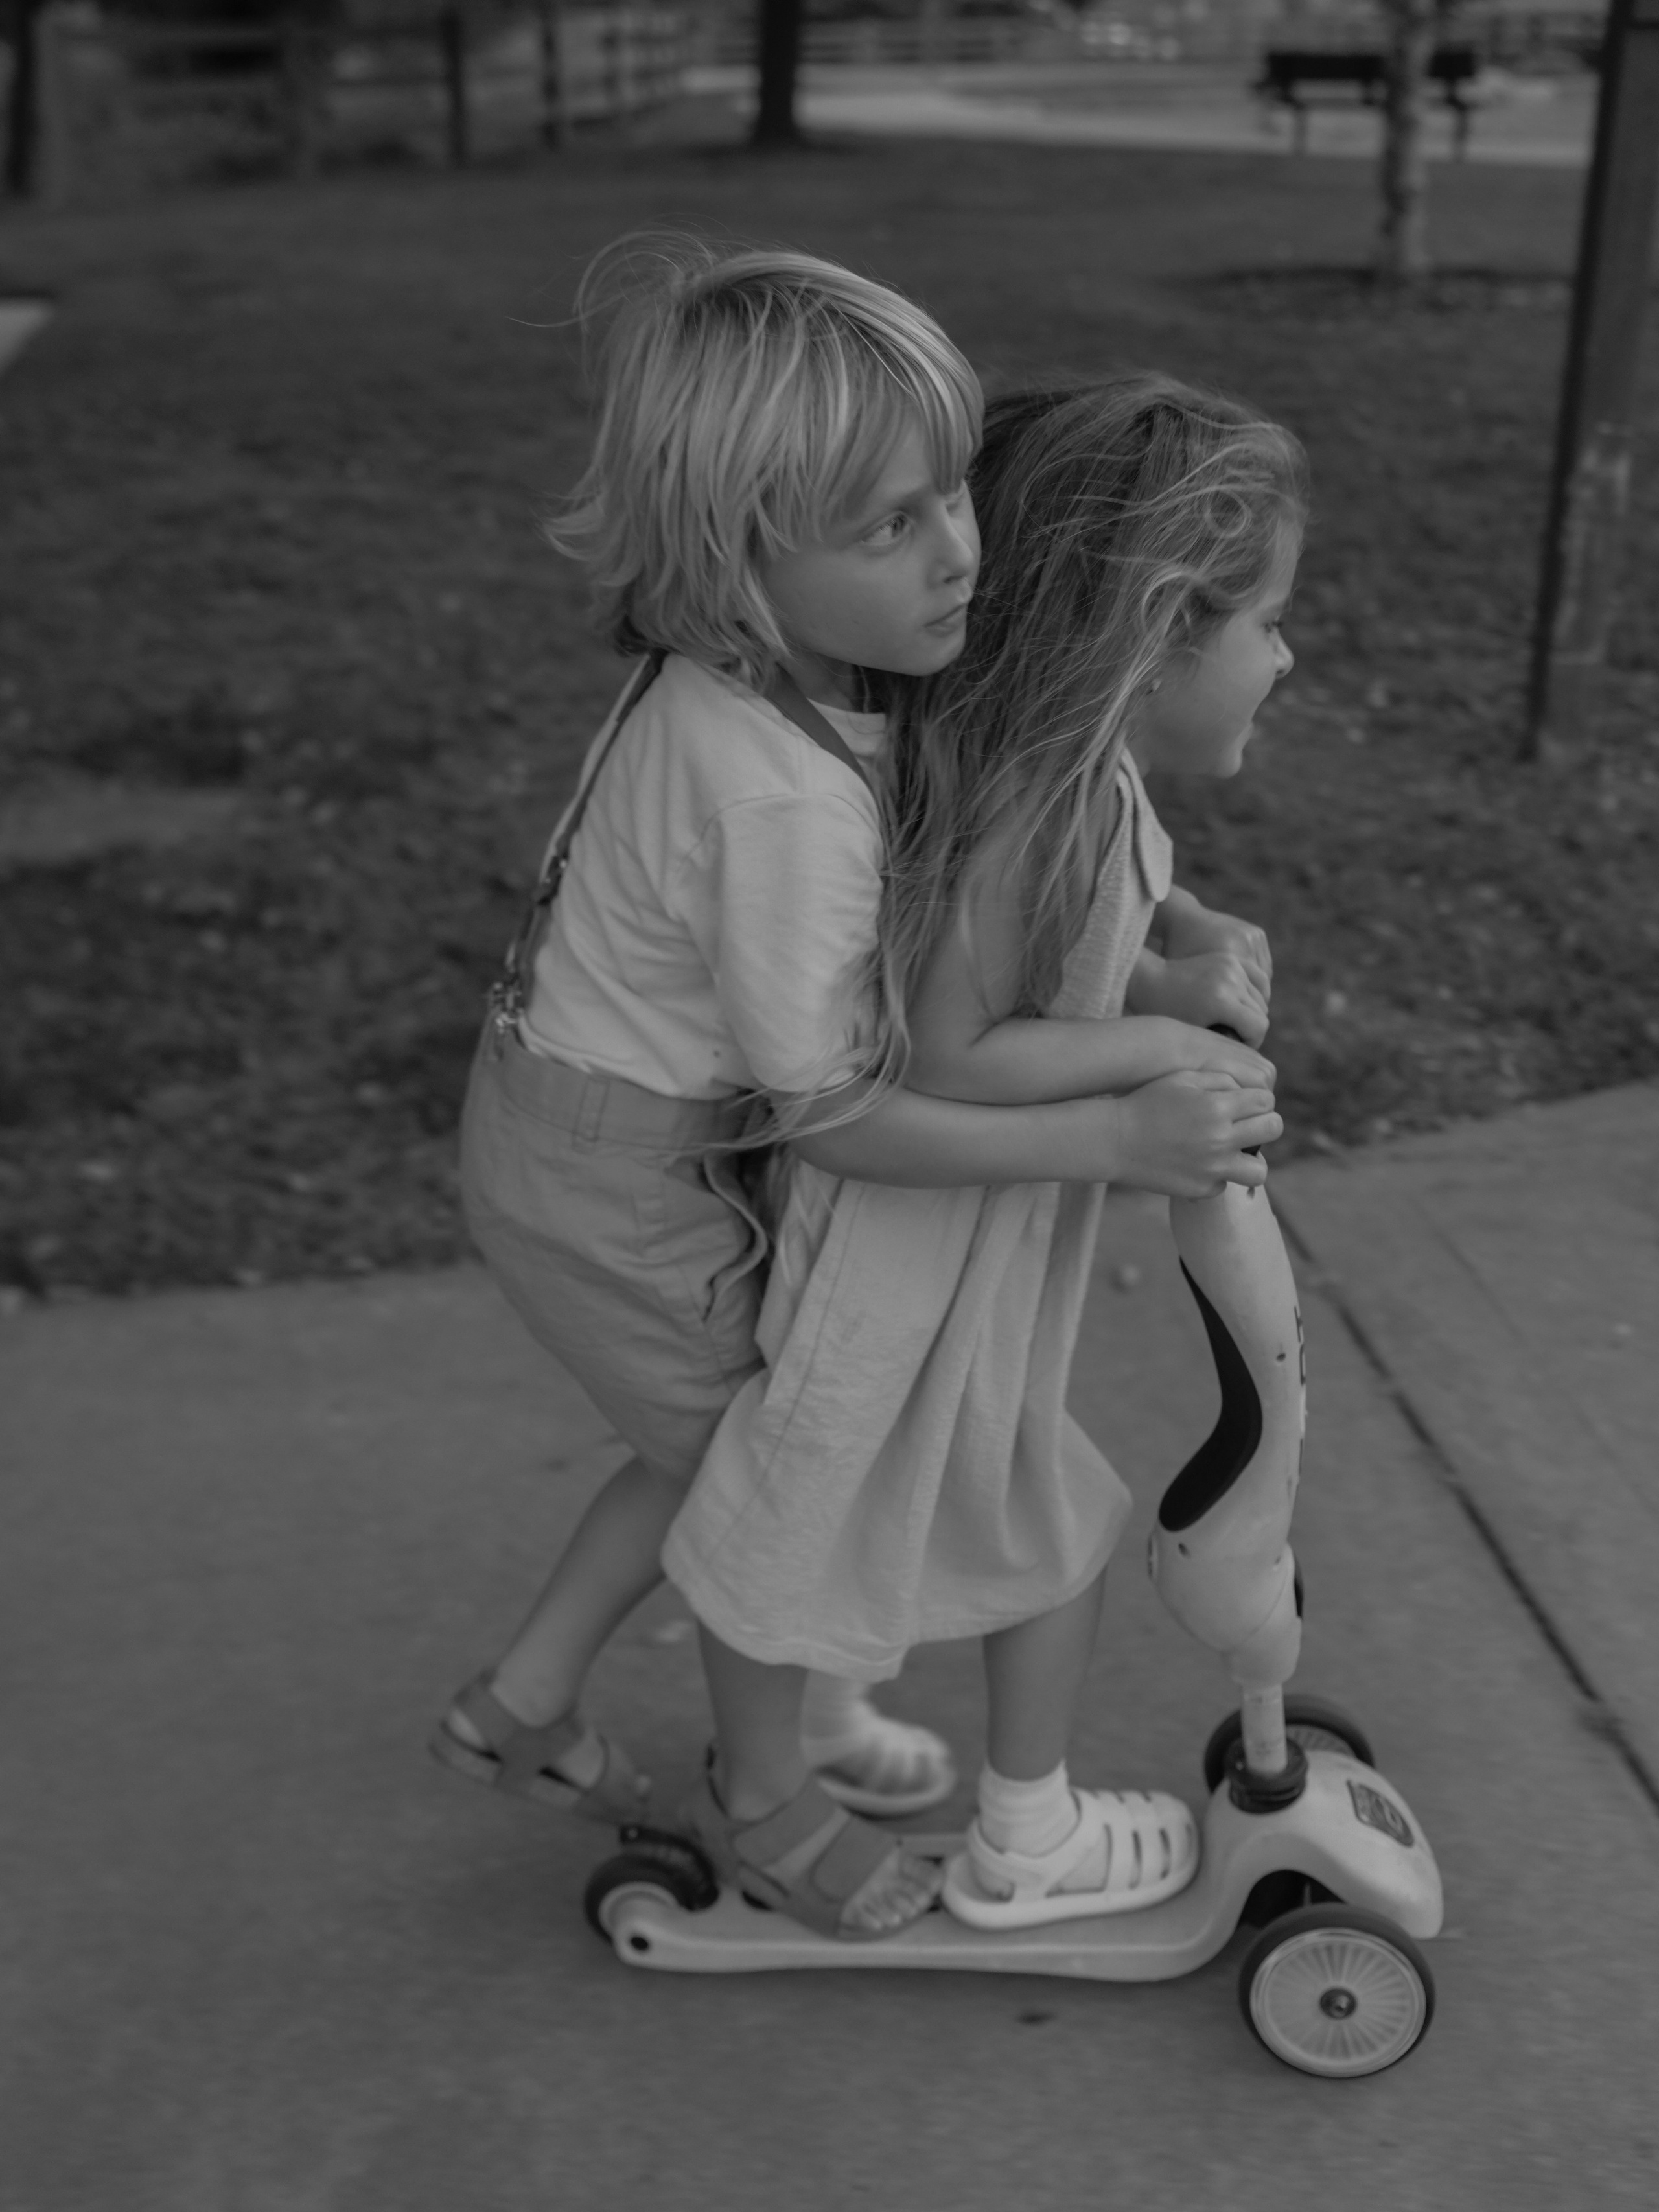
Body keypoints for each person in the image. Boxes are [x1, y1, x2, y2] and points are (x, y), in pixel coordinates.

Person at [428, 246, 1267, 1907]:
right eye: (890, 527)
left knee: (722, 1445)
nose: (962, 549)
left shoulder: (766, 673)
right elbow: (845, 1116)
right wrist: (1103, 1124)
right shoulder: (778, 802)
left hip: (597, 1124)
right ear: (742, 559)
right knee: (768, 1451)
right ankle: (764, 1805)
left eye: (951, 491)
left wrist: (1151, 914)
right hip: (614, 1176)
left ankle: (531, 1701)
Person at [663, 373, 1304, 1940]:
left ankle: (816, 1731)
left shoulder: (1080, 777)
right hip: (904, 1229)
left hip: (974, 1231)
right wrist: (1151, 1066)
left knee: (847, 1502)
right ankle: (1024, 1845)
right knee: (999, 1523)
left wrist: (1175, 951)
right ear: (1153, 639)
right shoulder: (1033, 806)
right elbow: (946, 1049)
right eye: (1267, 624)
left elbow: (1059, 969)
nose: (1282, 655)